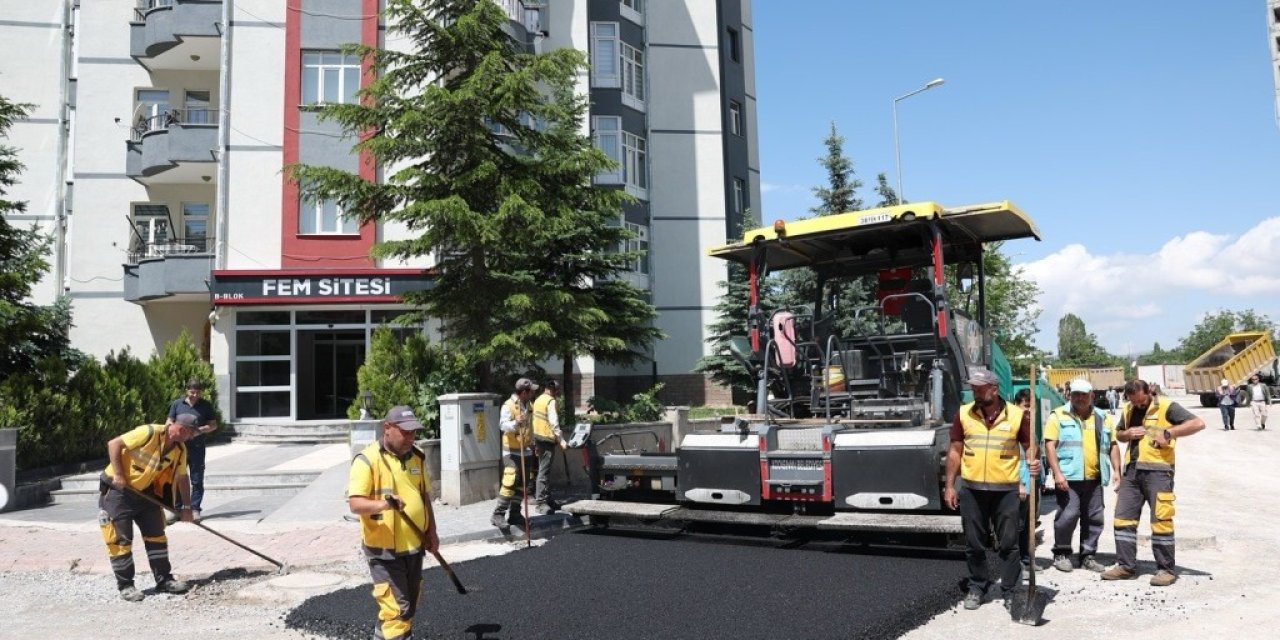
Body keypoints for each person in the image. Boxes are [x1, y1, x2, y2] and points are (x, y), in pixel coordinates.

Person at [944, 367, 1040, 610]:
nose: (974, 391)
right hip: (972, 489)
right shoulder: (964, 413)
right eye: (973, 388)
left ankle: (1009, 590)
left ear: (994, 390)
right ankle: (977, 586)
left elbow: (1030, 445)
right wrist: (950, 486)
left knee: (1009, 543)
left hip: (1005, 490)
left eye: (979, 388)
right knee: (974, 543)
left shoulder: (1017, 415)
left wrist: (1033, 460)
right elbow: (955, 451)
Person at [348, 406, 438, 640]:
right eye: (405, 432)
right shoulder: (367, 460)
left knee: (408, 604)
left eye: (413, 433)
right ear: (387, 428)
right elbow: (356, 504)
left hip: (415, 545)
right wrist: (385, 505)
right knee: (398, 610)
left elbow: (424, 497)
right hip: (384, 550)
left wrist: (432, 532)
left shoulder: (417, 457)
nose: (410, 437)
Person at [1103, 379, 1205, 586]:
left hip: (1159, 471)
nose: (1138, 405)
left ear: (1149, 391)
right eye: (1134, 401)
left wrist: (1169, 432)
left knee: (1161, 521)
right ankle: (1125, 566)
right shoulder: (1130, 409)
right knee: (1123, 519)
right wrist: (1127, 434)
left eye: (1141, 401)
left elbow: (1198, 423)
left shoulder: (1167, 407)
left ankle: (1166, 570)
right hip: (1131, 472)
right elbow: (1119, 434)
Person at [99, 414, 199, 601]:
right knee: (120, 540)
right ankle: (126, 586)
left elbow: (182, 477)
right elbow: (114, 444)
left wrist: (186, 507)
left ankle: (164, 580)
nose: (192, 438)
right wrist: (119, 475)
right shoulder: (149, 432)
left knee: (157, 535)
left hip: (145, 494)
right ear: (182, 429)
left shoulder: (179, 449)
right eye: (191, 433)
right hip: (118, 491)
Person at [1044, 379, 1121, 573]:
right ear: (1069, 394)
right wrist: (1057, 473)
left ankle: (1088, 555)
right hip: (1068, 477)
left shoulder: (1102, 417)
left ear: (1092, 395)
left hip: (1094, 477)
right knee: (1068, 515)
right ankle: (1061, 552)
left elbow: (1112, 445)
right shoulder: (1058, 415)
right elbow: (1050, 445)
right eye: (1075, 394)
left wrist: (1117, 471)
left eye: (1084, 394)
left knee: (1094, 517)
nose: (1079, 398)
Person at [166, 379, 217, 523]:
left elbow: (213, 425)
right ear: (186, 391)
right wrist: (173, 430)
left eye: (197, 392)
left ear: (200, 392)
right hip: (179, 447)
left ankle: (195, 509)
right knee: (176, 478)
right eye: (191, 392)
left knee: (196, 479)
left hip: (197, 447)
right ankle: (176, 510)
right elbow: (169, 421)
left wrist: (198, 431)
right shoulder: (177, 404)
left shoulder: (206, 406)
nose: (194, 395)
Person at [491, 378, 538, 528]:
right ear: (524, 392)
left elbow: (530, 426)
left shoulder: (528, 405)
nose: (533, 393)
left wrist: (533, 443)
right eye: (531, 391)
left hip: (526, 451)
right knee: (510, 482)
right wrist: (515, 423)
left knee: (522, 484)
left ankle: (515, 514)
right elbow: (502, 425)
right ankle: (498, 514)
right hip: (512, 451)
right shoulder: (508, 405)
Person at [531, 379, 568, 515]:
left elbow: (534, 420)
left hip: (539, 438)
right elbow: (554, 423)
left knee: (543, 470)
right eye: (557, 391)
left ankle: (547, 499)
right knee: (544, 471)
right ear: (555, 390)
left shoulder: (539, 399)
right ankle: (541, 503)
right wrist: (562, 440)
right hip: (547, 439)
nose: (557, 394)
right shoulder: (550, 401)